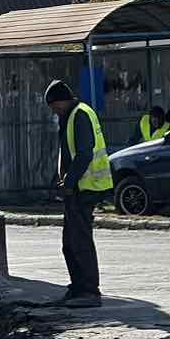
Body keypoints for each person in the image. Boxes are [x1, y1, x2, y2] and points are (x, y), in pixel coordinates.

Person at [45, 79, 113, 308]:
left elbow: (84, 154)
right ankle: (77, 287)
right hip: (78, 187)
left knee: (79, 240)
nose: (53, 112)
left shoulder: (79, 115)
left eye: (54, 106)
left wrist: (70, 183)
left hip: (86, 188)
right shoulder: (72, 115)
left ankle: (89, 291)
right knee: (69, 242)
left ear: (62, 101)